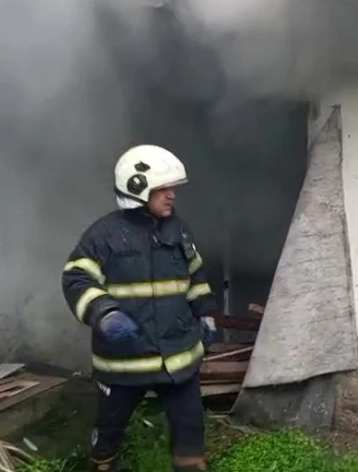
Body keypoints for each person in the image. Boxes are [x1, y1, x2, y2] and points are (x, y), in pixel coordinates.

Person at [61, 144, 217, 472]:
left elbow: (195, 274)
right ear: (137, 189)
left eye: (172, 188)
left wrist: (205, 311)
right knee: (108, 439)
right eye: (163, 189)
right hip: (124, 364)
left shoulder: (179, 229)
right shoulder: (103, 235)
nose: (172, 195)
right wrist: (105, 313)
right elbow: (76, 279)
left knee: (191, 441)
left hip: (178, 360)